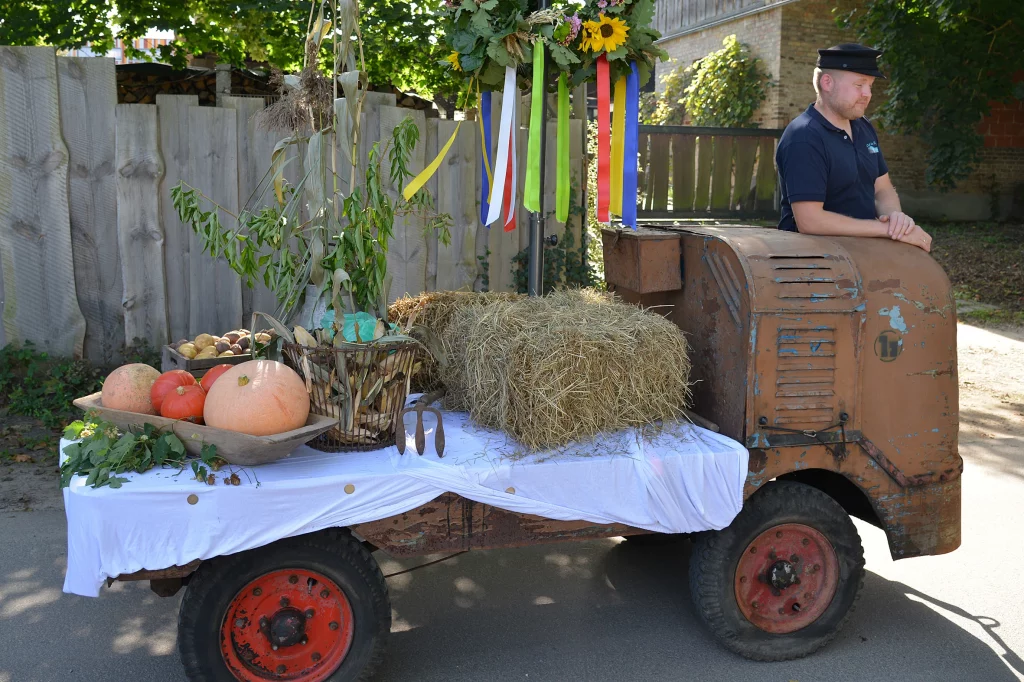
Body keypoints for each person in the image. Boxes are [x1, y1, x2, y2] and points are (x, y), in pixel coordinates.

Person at [775, 43, 932, 252]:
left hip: (863, 252)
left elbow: (882, 189)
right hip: (812, 259)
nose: (867, 94)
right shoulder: (804, 136)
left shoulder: (863, 127)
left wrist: (895, 219)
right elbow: (810, 221)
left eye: (870, 86)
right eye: (859, 85)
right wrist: (883, 229)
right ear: (827, 82)